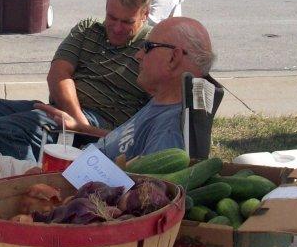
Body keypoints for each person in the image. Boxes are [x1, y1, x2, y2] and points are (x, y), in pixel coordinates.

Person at [0, 0, 153, 161]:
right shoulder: (88, 29)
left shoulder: (152, 47)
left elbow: (152, 120)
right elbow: (58, 75)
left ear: (145, 14)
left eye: (127, 22)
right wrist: (78, 121)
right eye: (112, 17)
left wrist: (83, 128)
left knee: (2, 131)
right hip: (66, 112)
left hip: (100, 127)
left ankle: (32, 183)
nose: (117, 28)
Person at [47, 17, 215, 161]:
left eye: (148, 47)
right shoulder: (162, 103)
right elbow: (123, 144)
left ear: (173, 58)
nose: (138, 55)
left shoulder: (169, 131)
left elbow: (149, 187)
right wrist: (82, 128)